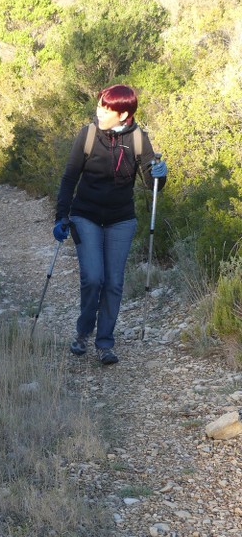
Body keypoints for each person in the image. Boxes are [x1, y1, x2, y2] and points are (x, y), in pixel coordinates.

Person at [53, 84, 167, 365]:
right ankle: (83, 332)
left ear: (124, 113)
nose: (99, 112)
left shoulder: (139, 138)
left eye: (106, 108)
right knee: (93, 278)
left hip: (121, 219)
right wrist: (61, 216)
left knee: (114, 283)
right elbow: (69, 178)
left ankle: (105, 343)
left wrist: (160, 175)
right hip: (86, 215)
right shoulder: (88, 135)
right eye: (99, 105)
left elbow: (150, 182)